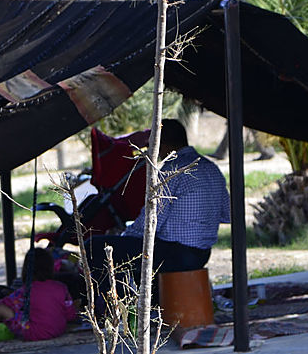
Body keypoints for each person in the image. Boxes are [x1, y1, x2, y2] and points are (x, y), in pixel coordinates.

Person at [86, 118, 230, 290]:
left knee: (94, 247)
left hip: (176, 253)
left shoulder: (171, 170)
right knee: (140, 251)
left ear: (160, 143)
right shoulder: (211, 168)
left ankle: (107, 306)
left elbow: (151, 221)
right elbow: (227, 215)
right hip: (202, 252)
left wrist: (124, 235)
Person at [0, 248, 77, 343]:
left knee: (0, 309)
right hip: (59, 330)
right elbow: (70, 314)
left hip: (36, 333)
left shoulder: (26, 291)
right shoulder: (61, 287)